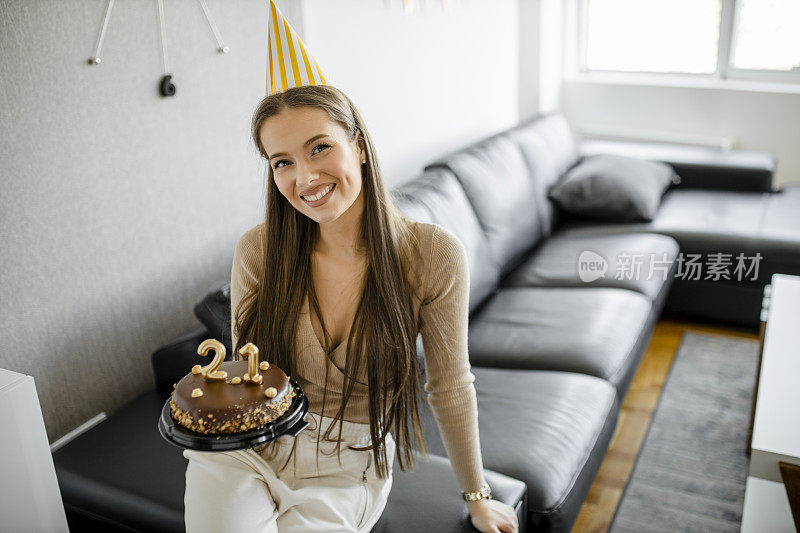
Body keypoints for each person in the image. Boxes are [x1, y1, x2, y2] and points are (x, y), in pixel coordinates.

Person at [181, 3, 519, 533]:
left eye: (320, 148)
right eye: (283, 162)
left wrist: (477, 495)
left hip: (347, 461)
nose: (305, 177)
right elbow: (251, 375)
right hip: (247, 446)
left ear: (358, 147)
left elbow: (450, 384)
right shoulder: (258, 250)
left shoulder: (431, 255)